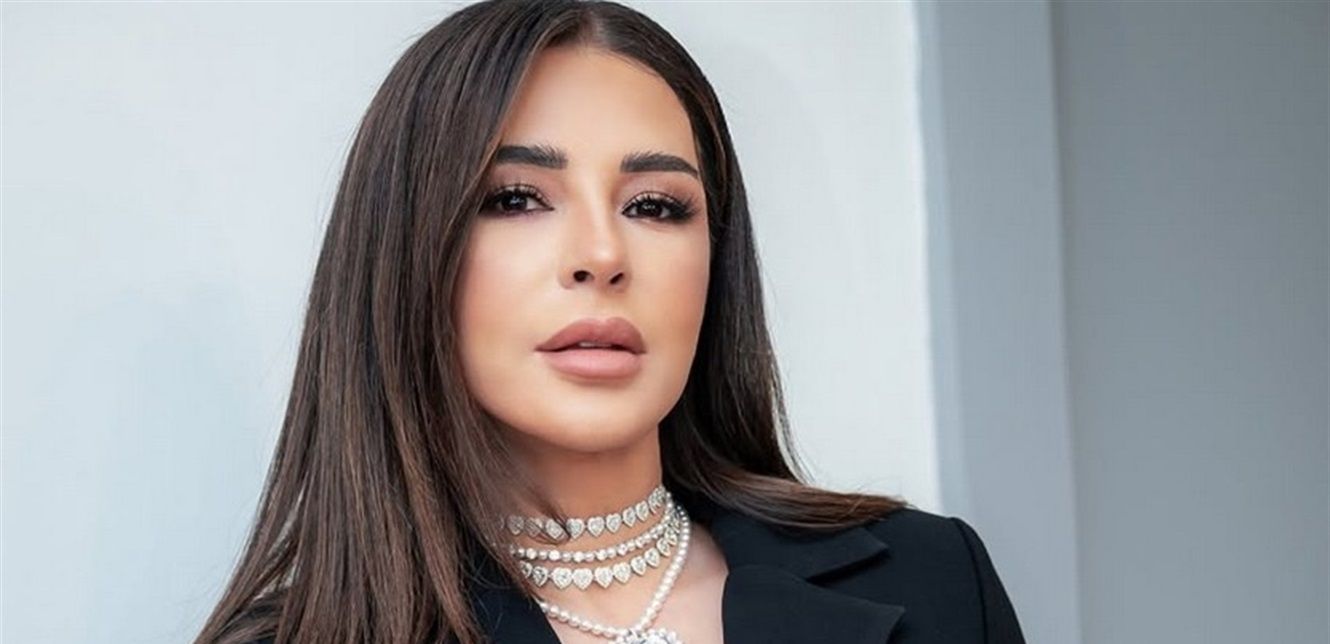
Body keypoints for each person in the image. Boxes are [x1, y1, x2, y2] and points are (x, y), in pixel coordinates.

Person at [194, 1, 1026, 643]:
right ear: (408, 254)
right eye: (516, 198)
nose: (601, 254)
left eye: (655, 206)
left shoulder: (935, 580)